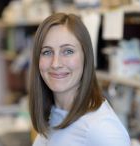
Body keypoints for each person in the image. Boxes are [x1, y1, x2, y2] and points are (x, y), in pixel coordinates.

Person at [29, 13, 131, 146]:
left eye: (68, 51)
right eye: (47, 52)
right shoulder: (54, 115)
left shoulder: (102, 129)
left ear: (86, 57)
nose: (55, 64)